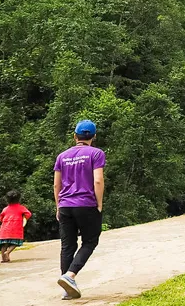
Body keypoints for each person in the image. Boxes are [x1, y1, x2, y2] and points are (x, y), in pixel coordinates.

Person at [54, 119, 105, 301]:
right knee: (90, 241)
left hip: (66, 204)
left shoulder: (62, 156)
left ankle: (67, 289)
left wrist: (58, 206)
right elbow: (97, 180)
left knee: (67, 245)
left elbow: (56, 184)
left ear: (75, 136)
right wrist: (98, 203)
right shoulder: (96, 154)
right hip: (86, 204)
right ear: (94, 136)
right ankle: (70, 276)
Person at [0, 190, 31, 263]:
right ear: (18, 199)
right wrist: (23, 217)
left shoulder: (5, 209)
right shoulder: (21, 207)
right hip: (16, 228)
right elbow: (28, 214)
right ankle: (8, 252)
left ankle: (3, 258)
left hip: (5, 229)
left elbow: (1, 217)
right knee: (15, 242)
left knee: (4, 244)